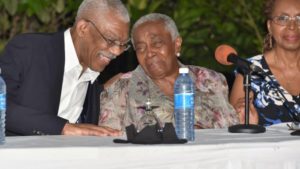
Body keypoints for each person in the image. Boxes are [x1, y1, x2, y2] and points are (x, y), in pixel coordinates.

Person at [0, 0, 130, 136]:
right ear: (83, 28)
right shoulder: (29, 49)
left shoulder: (93, 77)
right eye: (110, 40)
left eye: (123, 45)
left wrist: (102, 90)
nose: (117, 52)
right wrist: (63, 128)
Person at [98, 13, 239, 131]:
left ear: (176, 44)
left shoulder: (210, 80)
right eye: (141, 48)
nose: (149, 53)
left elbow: (229, 131)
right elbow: (110, 143)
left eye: (157, 44)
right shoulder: (121, 88)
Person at [230, 0, 300, 126]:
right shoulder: (249, 71)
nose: (292, 26)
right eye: (283, 18)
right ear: (269, 26)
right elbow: (235, 134)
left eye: (299, 18)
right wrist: (248, 124)